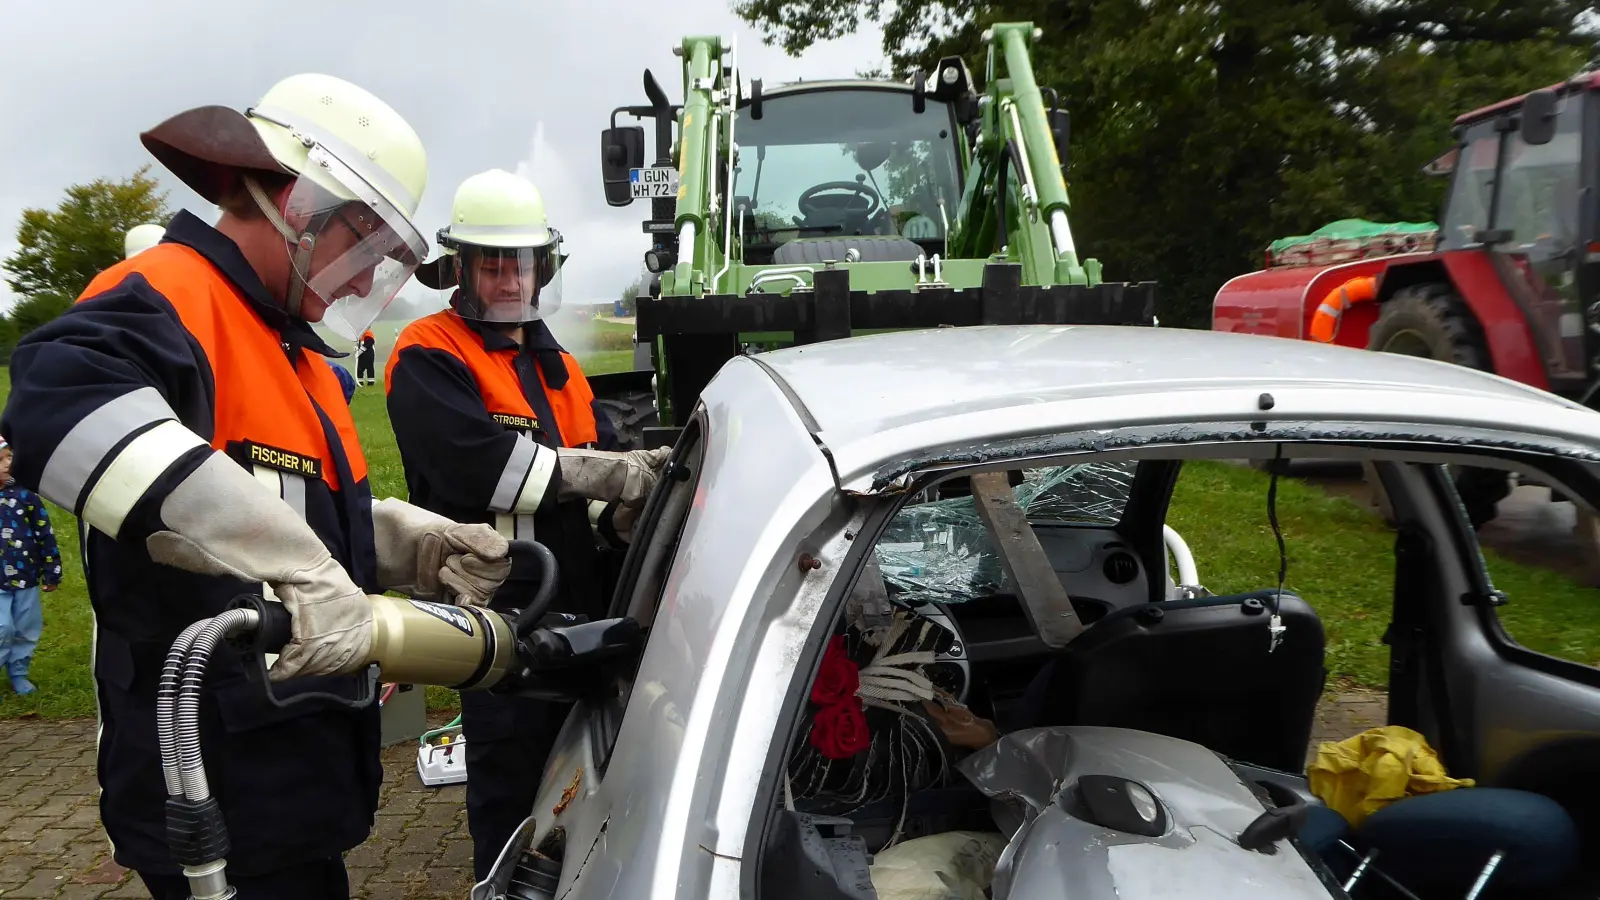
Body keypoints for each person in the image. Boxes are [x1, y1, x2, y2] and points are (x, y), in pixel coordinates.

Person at [0, 73, 521, 899]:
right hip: (211, 782)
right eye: (365, 250)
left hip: (299, 776)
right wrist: (305, 572)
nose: (361, 284)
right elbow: (56, 410)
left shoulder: (301, 355)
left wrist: (402, 543)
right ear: (301, 207)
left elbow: (287, 506)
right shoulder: (168, 295)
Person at [385, 167, 670, 880]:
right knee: (512, 793)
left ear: (544, 268)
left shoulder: (558, 363)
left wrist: (625, 515)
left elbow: (595, 477)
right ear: (460, 267)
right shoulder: (426, 353)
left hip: (580, 610)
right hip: (498, 614)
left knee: (582, 777)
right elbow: (480, 469)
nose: (510, 280)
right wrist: (605, 474)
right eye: (493, 263)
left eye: (522, 263)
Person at [0, 436, 62, 696]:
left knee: (26, 629)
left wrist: (52, 571)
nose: (6, 464)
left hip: (25, 578)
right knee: (2, 628)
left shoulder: (25, 495)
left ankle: (19, 673)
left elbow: (43, 533)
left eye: (8, 457)